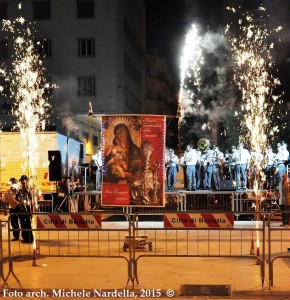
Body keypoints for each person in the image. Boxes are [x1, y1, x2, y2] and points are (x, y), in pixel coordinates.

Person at [130, 140, 162, 205]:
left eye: (147, 162)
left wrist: (154, 186)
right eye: (144, 162)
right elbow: (133, 186)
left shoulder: (153, 173)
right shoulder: (138, 173)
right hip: (139, 198)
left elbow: (158, 186)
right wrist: (137, 184)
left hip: (151, 197)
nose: (145, 163)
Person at [16, 175, 34, 243]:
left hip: (27, 210)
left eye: (25, 180)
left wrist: (31, 210)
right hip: (21, 210)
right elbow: (16, 199)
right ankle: (25, 238)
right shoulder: (19, 190)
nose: (24, 182)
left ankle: (30, 238)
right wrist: (19, 202)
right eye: (23, 181)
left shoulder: (28, 190)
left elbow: (31, 199)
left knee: (28, 224)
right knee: (23, 224)